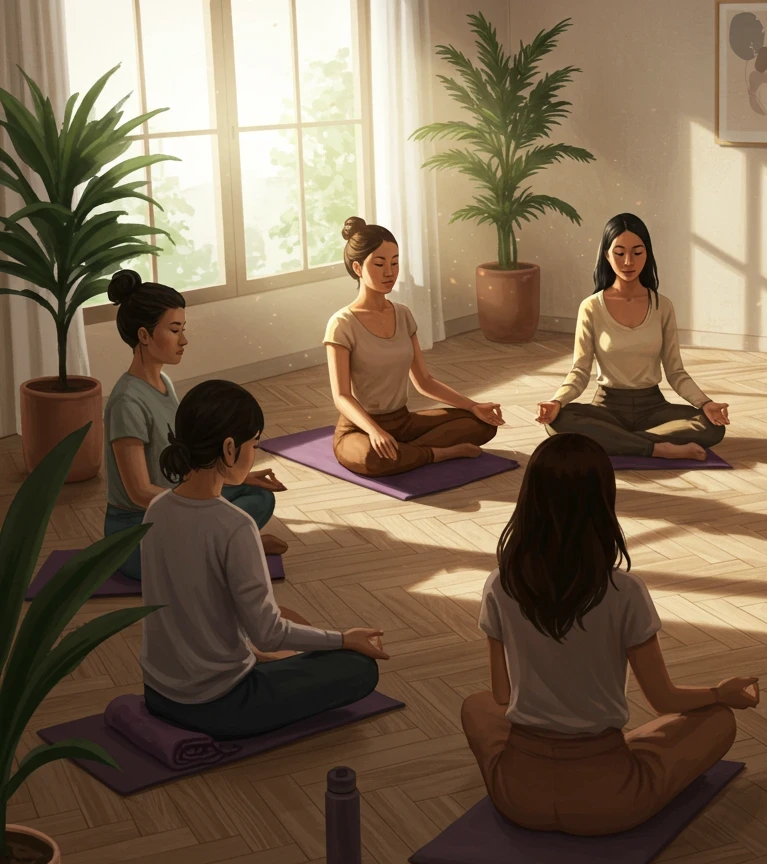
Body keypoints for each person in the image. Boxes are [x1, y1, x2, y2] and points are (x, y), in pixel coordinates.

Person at [460, 433, 760, 834]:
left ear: (529, 499)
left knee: (477, 706)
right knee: (718, 720)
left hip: (517, 793)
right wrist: (719, 693)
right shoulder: (625, 592)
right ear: (602, 504)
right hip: (611, 800)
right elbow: (663, 700)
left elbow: (501, 696)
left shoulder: (500, 584)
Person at [139, 380, 389, 739]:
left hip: (158, 693)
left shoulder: (156, 508)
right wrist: (344, 639)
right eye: (253, 445)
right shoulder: (234, 525)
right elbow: (268, 634)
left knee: (284, 633)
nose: (254, 453)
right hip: (220, 703)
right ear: (229, 448)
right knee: (359, 668)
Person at [103, 269, 285, 581]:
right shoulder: (126, 402)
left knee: (259, 498)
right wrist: (202, 505)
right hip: (138, 528)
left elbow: (182, 465)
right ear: (145, 336)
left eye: (183, 329)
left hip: (177, 507)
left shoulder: (164, 383)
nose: (184, 340)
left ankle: (226, 546)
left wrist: (236, 479)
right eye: (175, 330)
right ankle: (232, 547)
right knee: (224, 517)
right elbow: (138, 492)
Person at [536, 214, 730, 459]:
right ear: (606, 255)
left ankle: (617, 441)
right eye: (619, 253)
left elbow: (675, 371)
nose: (628, 261)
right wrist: (557, 401)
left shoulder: (663, 306)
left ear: (647, 254)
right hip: (607, 408)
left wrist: (705, 403)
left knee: (712, 427)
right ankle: (658, 448)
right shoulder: (591, 307)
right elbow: (580, 370)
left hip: (653, 407)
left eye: (637, 253)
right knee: (558, 421)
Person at [324, 216, 503, 477]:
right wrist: (374, 431)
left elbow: (424, 381)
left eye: (395, 263)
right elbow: (341, 396)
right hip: (359, 429)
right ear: (358, 268)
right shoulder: (341, 324)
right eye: (379, 264)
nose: (390, 272)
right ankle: (439, 453)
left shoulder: (403, 314)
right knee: (371, 457)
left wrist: (472, 405)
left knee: (481, 424)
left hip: (402, 421)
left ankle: (404, 453)